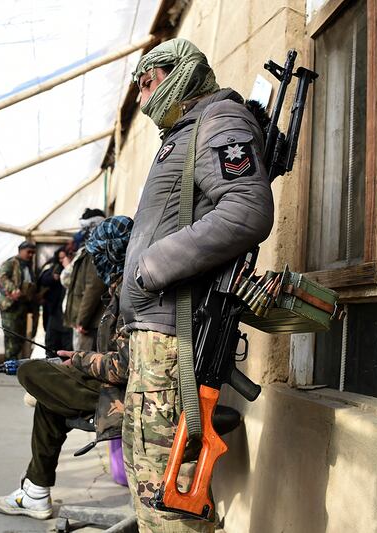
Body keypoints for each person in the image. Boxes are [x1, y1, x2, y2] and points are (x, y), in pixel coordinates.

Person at [121, 38, 274, 532]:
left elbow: (247, 209)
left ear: (181, 71)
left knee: (169, 506)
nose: (144, 96)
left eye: (150, 80)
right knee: (151, 488)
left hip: (175, 343)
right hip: (156, 339)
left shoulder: (218, 120)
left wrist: (153, 265)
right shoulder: (184, 131)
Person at [0, 216, 133, 520]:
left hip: (124, 397)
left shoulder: (133, 295)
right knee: (48, 400)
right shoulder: (126, 288)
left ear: (110, 253)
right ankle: (36, 492)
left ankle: (35, 492)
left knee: (29, 371)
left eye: (99, 255)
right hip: (114, 386)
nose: (95, 262)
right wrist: (78, 363)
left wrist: (80, 361)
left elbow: (123, 367)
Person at [64, 208, 107, 351]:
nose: (81, 233)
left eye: (85, 228)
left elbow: (93, 287)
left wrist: (82, 320)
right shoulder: (88, 250)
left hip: (90, 323)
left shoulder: (96, 251)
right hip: (85, 321)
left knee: (84, 365)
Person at [0, 241, 38, 360]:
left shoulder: (29, 266)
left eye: (33, 253)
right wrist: (13, 289)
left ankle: (15, 361)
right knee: (11, 335)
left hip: (23, 306)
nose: (30, 255)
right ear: (20, 251)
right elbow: (2, 277)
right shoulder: (11, 263)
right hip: (10, 305)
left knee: (20, 336)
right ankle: (10, 361)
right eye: (28, 252)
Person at [37, 247, 73, 353]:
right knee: (51, 342)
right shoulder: (54, 267)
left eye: (64, 258)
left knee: (67, 344)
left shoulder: (75, 269)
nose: (62, 260)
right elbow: (43, 279)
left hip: (68, 314)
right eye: (60, 258)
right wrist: (53, 278)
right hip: (55, 311)